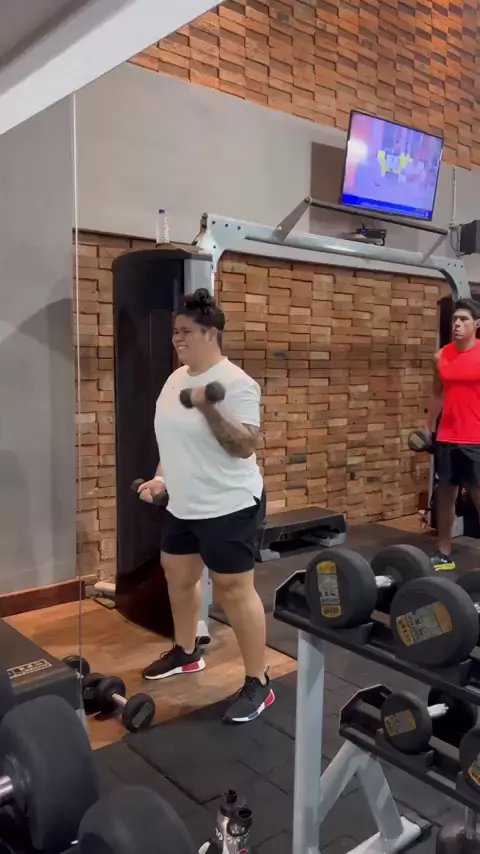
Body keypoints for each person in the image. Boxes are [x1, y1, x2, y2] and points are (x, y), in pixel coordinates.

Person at [136, 288, 274, 724]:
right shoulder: (174, 380)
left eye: (187, 331)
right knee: (178, 577)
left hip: (229, 503)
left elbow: (245, 445)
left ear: (211, 334)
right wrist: (160, 479)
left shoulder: (237, 382)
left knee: (234, 589)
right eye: (175, 331)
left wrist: (210, 409)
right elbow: (171, 441)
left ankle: (259, 681)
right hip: (184, 503)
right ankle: (186, 651)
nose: (178, 338)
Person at [426, 298, 480, 570]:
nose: (457, 324)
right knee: (445, 496)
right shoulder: (441, 356)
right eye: (455, 319)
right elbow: (437, 393)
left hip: (476, 437)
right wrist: (428, 426)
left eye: (464, 320)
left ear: (476, 324)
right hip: (447, 436)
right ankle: (444, 552)